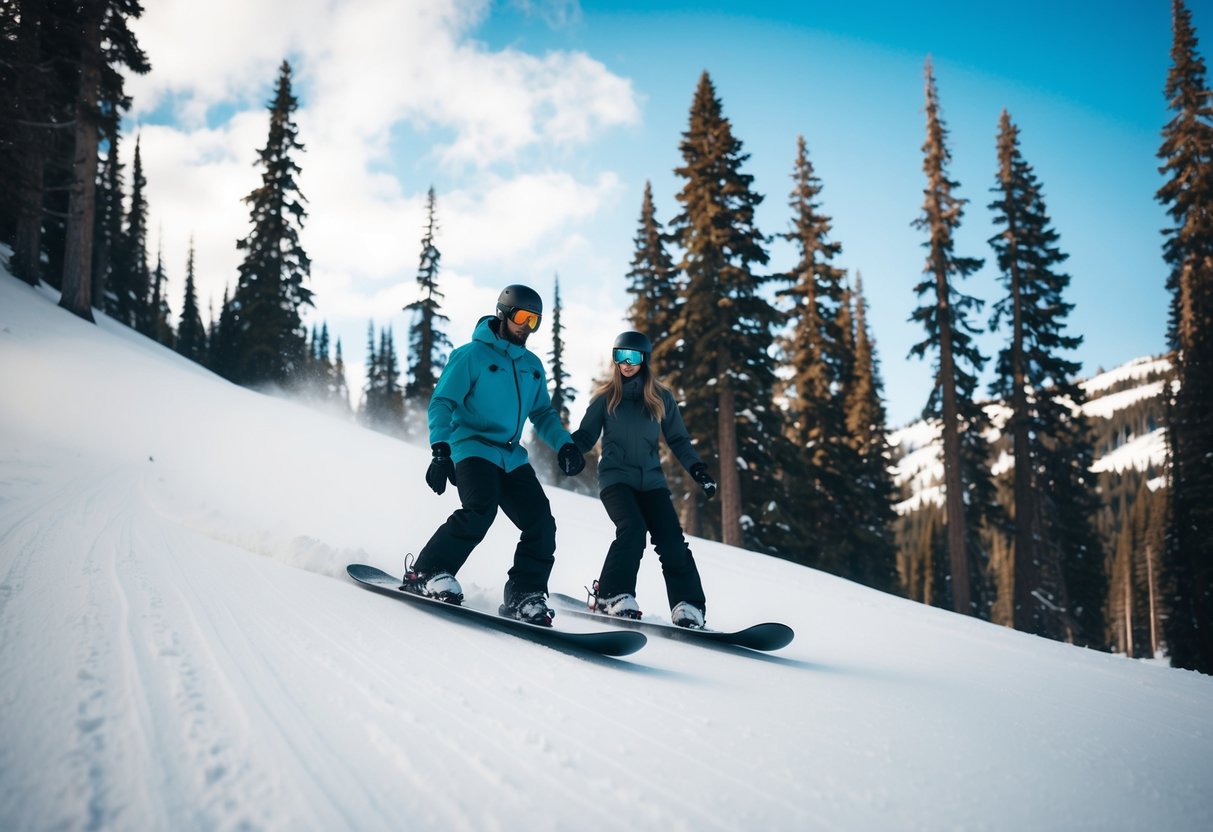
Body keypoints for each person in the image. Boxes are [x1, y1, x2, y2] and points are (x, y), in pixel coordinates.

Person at [404, 284, 585, 626]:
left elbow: (542, 414)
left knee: (541, 523)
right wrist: (441, 450)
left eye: (535, 321)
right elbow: (443, 402)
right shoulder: (471, 355)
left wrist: (565, 444)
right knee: (480, 510)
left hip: (512, 457)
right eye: (521, 317)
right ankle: (427, 571)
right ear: (502, 313)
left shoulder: (532, 366)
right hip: (471, 447)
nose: (526, 327)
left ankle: (525, 593)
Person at [571, 330, 718, 628]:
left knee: (672, 541)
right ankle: (613, 595)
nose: (626, 363)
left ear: (645, 359)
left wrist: (697, 469)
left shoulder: (661, 398)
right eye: (620, 356)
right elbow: (586, 435)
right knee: (633, 530)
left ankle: (688, 605)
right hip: (615, 480)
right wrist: (570, 450)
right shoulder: (606, 398)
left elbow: (678, 440)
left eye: (633, 357)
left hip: (651, 482)